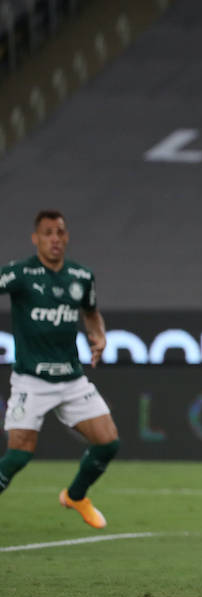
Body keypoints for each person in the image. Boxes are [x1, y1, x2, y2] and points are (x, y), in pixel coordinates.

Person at [0, 210, 119, 528]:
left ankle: (76, 495)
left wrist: (99, 335)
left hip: (70, 379)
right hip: (31, 381)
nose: (55, 238)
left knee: (108, 442)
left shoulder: (81, 277)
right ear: (35, 238)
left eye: (60, 232)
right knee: (18, 456)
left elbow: (91, 313)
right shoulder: (20, 273)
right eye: (48, 233)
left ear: (67, 237)